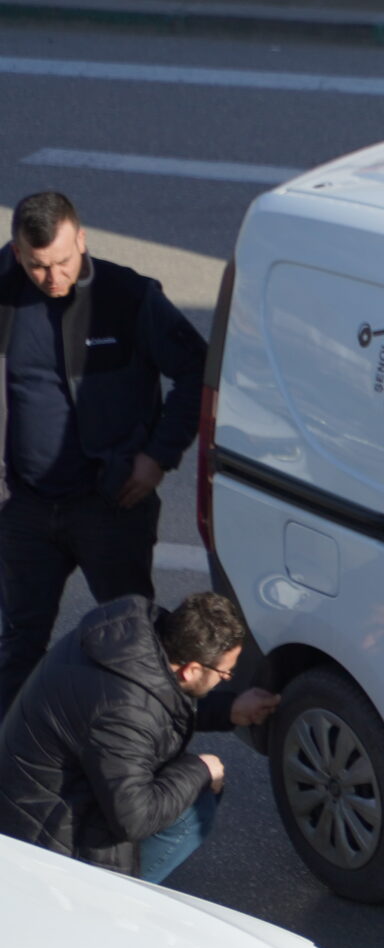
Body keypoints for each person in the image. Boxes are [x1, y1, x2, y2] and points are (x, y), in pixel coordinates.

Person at [1, 191, 208, 717]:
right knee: (18, 645)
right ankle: (13, 768)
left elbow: (196, 370)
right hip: (29, 506)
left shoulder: (128, 297)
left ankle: (153, 752)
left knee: (134, 643)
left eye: (63, 262)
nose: (51, 278)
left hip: (112, 501)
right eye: (37, 266)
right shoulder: (5, 285)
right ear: (17, 252)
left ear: (83, 239)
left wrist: (157, 457)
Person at [0, 592, 277, 884]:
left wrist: (227, 709)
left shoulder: (130, 640)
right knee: (195, 807)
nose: (226, 678)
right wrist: (200, 769)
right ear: (192, 669)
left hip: (36, 795)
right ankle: (118, 902)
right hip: (42, 836)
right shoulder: (123, 713)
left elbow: (159, 698)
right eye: (225, 673)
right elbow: (135, 818)